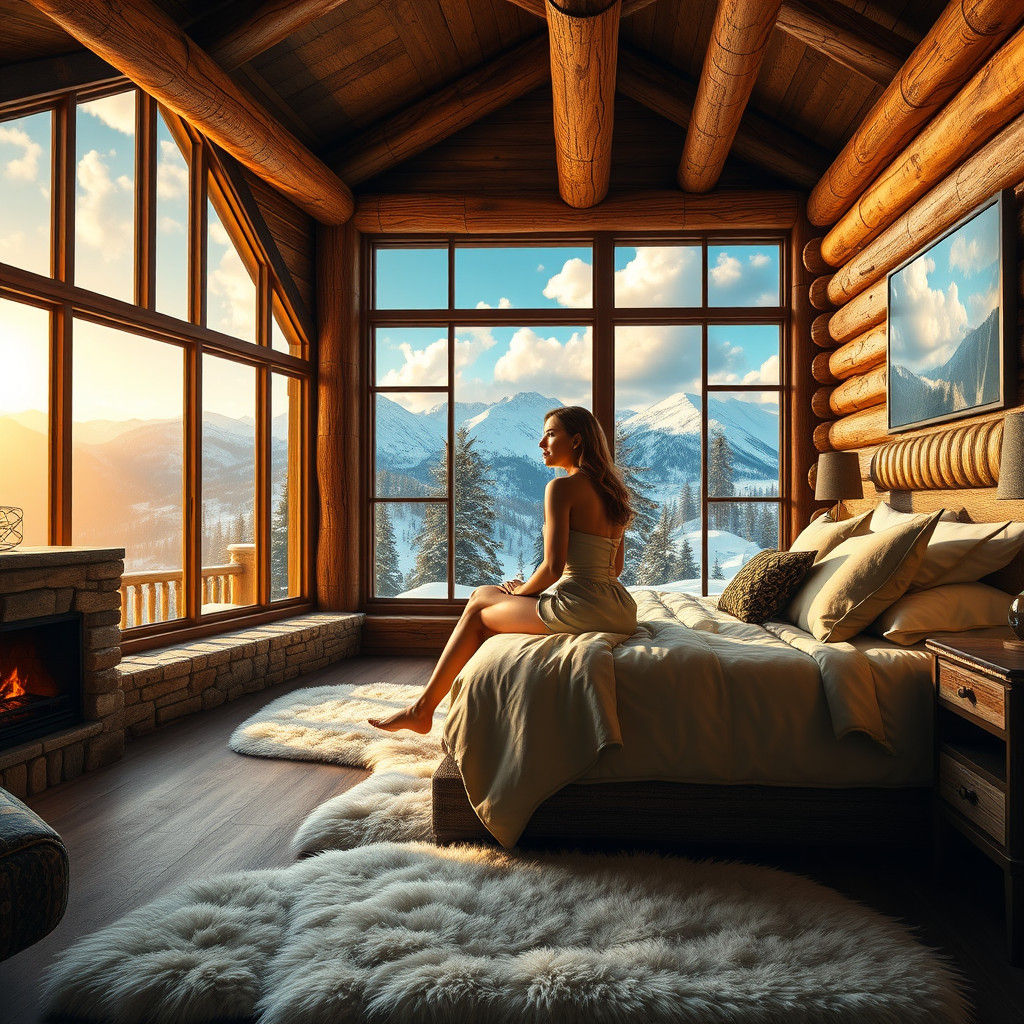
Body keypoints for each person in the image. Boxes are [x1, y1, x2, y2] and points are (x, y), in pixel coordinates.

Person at [368, 405, 637, 735]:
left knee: (481, 609)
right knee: (483, 594)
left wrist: (521, 591)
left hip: (582, 608)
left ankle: (424, 710)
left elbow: (553, 568)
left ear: (577, 440)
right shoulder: (614, 493)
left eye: (551, 434)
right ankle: (428, 708)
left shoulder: (562, 488)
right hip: (620, 609)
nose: (541, 443)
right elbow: (616, 568)